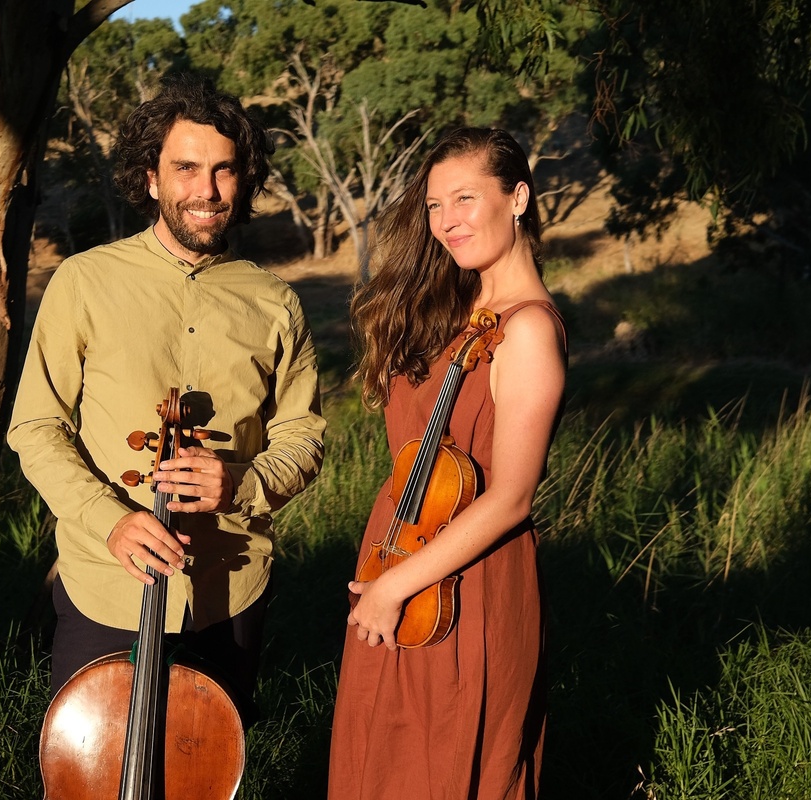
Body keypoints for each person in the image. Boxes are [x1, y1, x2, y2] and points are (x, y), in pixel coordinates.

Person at [7, 74, 325, 716]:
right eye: (185, 168)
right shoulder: (84, 282)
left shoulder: (273, 301)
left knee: (206, 773)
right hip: (107, 584)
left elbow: (303, 435)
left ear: (244, 179)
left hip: (228, 586)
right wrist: (111, 520)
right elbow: (36, 426)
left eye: (224, 171)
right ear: (151, 177)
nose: (205, 191)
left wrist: (240, 481)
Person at [327, 128, 567, 800]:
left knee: (447, 764)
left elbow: (512, 497)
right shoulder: (459, 313)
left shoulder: (528, 330)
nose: (446, 221)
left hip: (466, 589)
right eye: (435, 205)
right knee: (381, 762)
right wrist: (388, 580)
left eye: (465, 198)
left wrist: (395, 587)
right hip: (400, 568)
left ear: (517, 197)